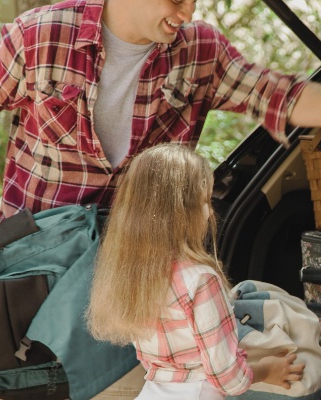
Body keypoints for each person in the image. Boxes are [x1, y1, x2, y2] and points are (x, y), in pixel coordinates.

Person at [0, 0, 321, 253]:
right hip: (38, 253)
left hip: (137, 258)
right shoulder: (41, 36)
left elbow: (281, 95)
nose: (187, 11)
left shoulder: (198, 50)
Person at [86, 143, 305, 399]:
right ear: (179, 212)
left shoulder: (132, 274)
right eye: (203, 201)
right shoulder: (201, 280)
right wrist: (268, 369)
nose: (210, 211)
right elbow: (228, 379)